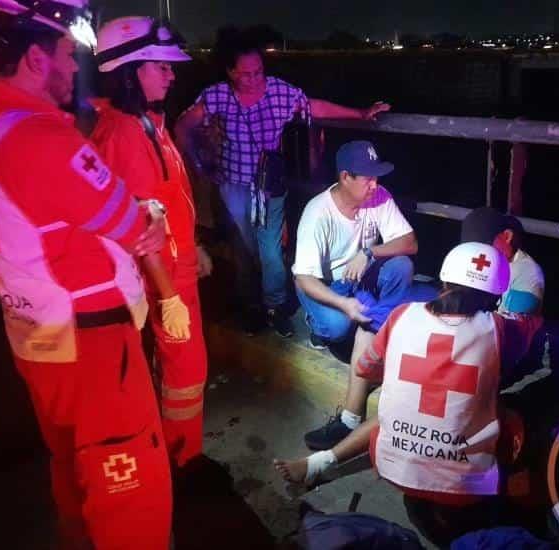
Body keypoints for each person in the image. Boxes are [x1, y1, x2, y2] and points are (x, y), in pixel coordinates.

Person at [0, 1, 172, 547]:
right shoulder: (36, 135)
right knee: (128, 488)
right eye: (68, 55)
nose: (75, 70)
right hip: (93, 342)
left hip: (37, 335)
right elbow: (133, 223)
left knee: (71, 469)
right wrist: (153, 213)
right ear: (35, 59)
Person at [275, 242, 522, 548]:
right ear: (496, 297)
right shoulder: (500, 328)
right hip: (467, 488)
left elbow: (365, 368)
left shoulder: (403, 314)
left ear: (443, 283)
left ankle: (320, 462)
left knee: (398, 411)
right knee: (507, 416)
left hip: (393, 469)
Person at [174, 27, 391, 337]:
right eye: (246, 74)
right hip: (233, 185)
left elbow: (313, 106)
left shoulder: (279, 91)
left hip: (270, 185)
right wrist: (199, 164)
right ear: (230, 71)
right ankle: (251, 306)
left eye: (258, 71)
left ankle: (274, 306)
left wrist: (359, 113)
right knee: (243, 248)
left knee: (272, 252)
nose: (254, 79)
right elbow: (183, 126)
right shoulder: (216, 96)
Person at [90, 16, 212, 471]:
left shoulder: (146, 124)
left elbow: (168, 203)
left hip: (174, 269)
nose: (171, 73)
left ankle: (176, 452)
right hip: (164, 279)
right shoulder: (125, 135)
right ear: (130, 71)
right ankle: (183, 463)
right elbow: (142, 231)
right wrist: (169, 297)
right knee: (185, 372)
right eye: (160, 65)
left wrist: (193, 244)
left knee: (181, 371)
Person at [294, 140, 418, 450]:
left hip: (360, 276)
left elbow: (410, 243)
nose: (375, 184)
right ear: (345, 177)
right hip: (325, 285)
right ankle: (319, 326)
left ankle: (373, 329)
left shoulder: (378, 197)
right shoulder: (317, 214)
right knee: (336, 327)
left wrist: (369, 251)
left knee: (401, 265)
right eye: (368, 178)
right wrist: (343, 303)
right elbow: (304, 276)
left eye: (377, 177)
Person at [460, 207, 545, 383]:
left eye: (485, 245)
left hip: (509, 354)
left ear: (507, 236)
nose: (479, 254)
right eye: (474, 248)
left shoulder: (527, 274)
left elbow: (511, 333)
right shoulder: (476, 260)